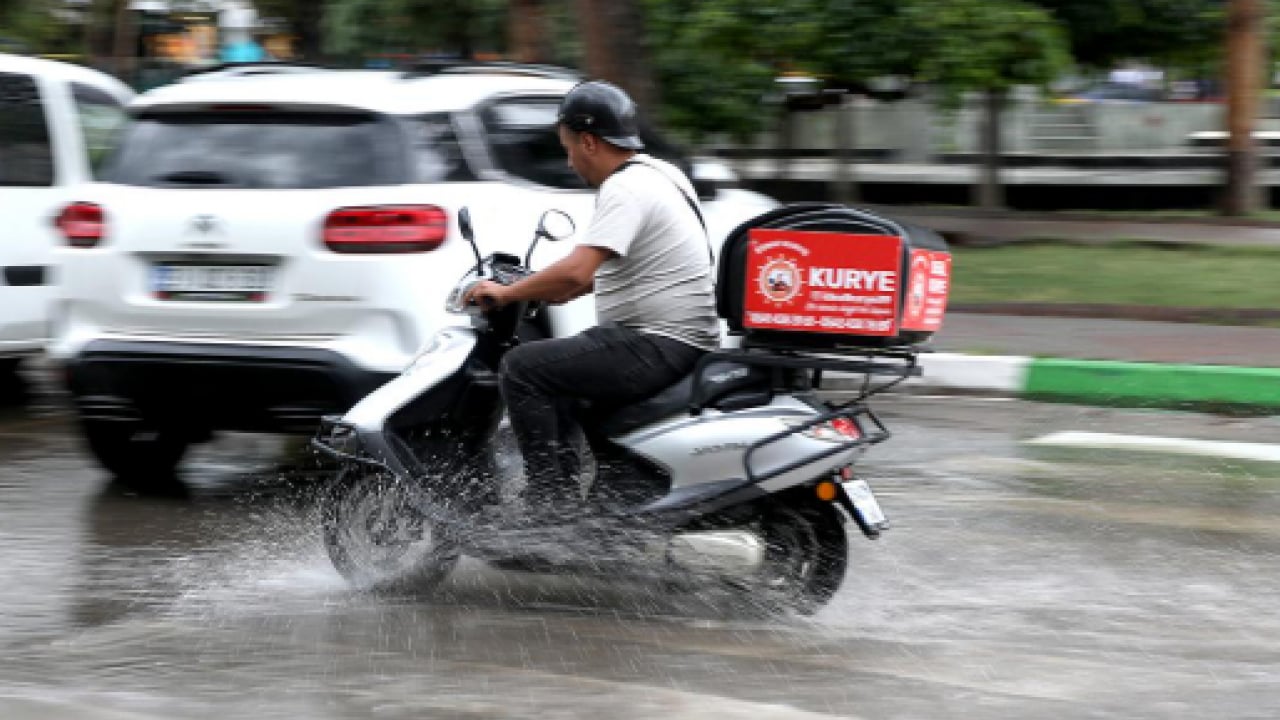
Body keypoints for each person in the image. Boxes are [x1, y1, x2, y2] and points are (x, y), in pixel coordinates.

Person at [463, 80, 720, 524]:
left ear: (588, 141)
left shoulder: (625, 189)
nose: (570, 161)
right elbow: (602, 274)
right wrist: (539, 286)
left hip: (656, 343)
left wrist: (506, 293)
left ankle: (548, 507)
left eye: (568, 149)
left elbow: (578, 271)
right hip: (679, 339)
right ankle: (599, 503)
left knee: (523, 368)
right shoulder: (661, 173)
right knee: (564, 364)